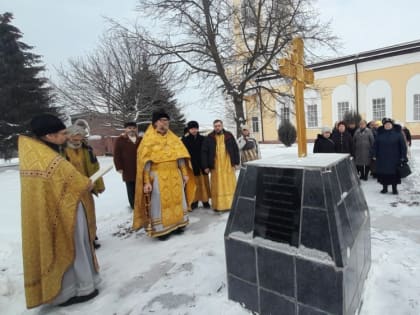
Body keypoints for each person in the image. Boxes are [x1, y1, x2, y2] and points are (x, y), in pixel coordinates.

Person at [19, 114, 99, 309]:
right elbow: (75, 180)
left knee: (62, 246)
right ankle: (78, 288)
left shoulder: (33, 152)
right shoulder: (49, 158)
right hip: (64, 212)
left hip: (53, 211)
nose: (66, 136)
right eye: (62, 133)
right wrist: (87, 184)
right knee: (73, 245)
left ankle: (68, 289)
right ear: (49, 135)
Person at [132, 110, 196, 239]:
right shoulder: (148, 139)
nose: (166, 123)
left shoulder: (173, 138)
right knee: (160, 203)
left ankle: (178, 224)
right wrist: (147, 182)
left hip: (175, 174)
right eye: (163, 120)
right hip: (158, 176)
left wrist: (184, 173)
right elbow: (146, 163)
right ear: (156, 122)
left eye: (167, 120)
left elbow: (180, 157)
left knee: (178, 200)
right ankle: (162, 230)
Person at [65, 125, 105, 249]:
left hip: (87, 188)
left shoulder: (87, 149)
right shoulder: (62, 151)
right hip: (71, 190)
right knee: (76, 216)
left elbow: (95, 167)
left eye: (80, 139)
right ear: (69, 137)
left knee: (89, 213)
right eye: (75, 139)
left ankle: (92, 237)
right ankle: (80, 241)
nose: (78, 141)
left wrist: (99, 184)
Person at [201, 119, 240, 212]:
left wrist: (237, 162)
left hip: (228, 164)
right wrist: (205, 166)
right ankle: (218, 206)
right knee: (217, 185)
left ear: (222, 126)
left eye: (219, 125)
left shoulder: (229, 136)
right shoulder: (209, 137)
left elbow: (235, 149)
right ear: (213, 127)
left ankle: (231, 204)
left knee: (229, 184)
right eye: (215, 126)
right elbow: (204, 152)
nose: (217, 127)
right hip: (215, 165)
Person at [373, 118, 407, 194]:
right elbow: (375, 145)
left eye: (389, 124)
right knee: (383, 174)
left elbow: (403, 146)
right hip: (382, 158)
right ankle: (384, 188)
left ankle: (394, 189)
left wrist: (403, 156)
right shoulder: (380, 134)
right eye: (386, 124)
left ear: (392, 125)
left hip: (395, 158)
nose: (387, 126)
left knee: (394, 174)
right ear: (384, 125)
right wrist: (374, 154)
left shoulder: (398, 134)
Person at [182, 121, 211, 209]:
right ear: (189, 130)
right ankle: (194, 201)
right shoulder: (184, 140)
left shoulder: (203, 139)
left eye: (195, 128)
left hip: (202, 165)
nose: (194, 130)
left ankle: (205, 201)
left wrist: (207, 165)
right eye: (192, 129)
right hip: (191, 166)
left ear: (197, 129)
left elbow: (207, 152)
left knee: (203, 184)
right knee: (194, 184)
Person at [113, 122, 142, 209]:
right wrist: (119, 167)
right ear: (125, 129)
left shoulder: (140, 139)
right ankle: (134, 206)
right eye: (129, 128)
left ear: (136, 129)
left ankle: (142, 205)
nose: (132, 130)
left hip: (140, 168)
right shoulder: (120, 140)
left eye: (134, 128)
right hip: (128, 168)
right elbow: (116, 155)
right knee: (131, 188)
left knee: (140, 187)